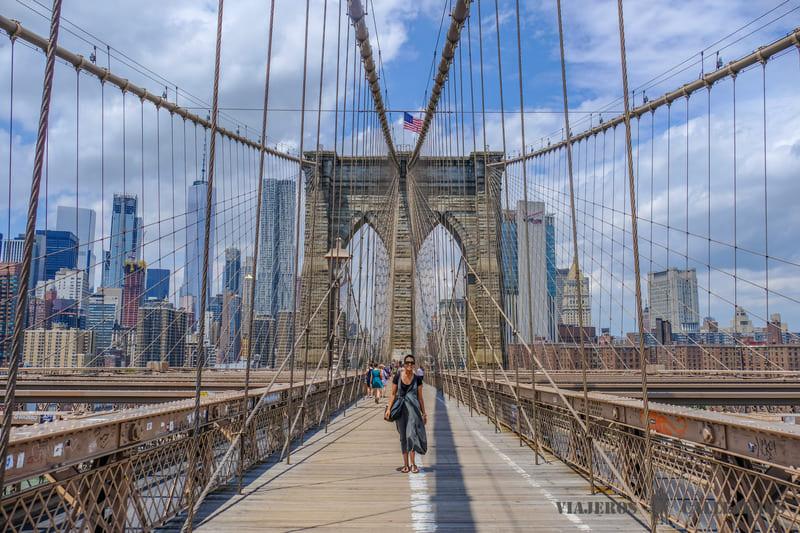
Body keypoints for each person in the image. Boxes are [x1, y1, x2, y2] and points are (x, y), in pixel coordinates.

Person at [385, 354, 427, 473]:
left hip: (413, 411)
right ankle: (405, 464)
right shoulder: (398, 376)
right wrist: (388, 408)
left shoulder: (417, 379)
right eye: (407, 363)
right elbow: (393, 394)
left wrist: (424, 413)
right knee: (403, 437)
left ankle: (413, 464)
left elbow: (420, 397)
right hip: (400, 410)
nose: (409, 365)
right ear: (404, 364)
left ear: (414, 365)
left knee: (411, 435)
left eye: (411, 363)